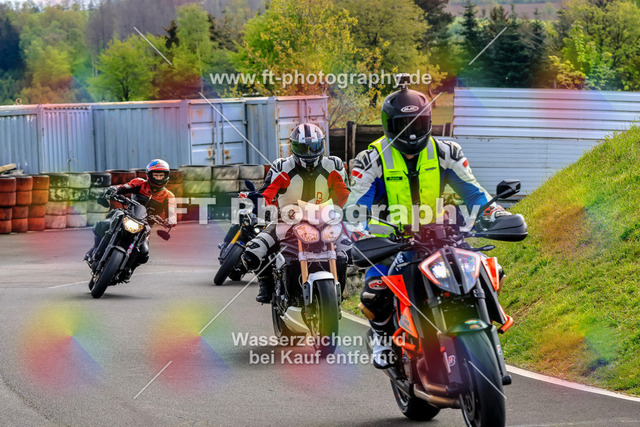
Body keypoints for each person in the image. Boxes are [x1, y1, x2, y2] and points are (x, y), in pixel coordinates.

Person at [345, 83, 510, 368]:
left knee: (489, 270)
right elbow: (355, 208)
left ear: (429, 122)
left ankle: (486, 322)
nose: (411, 132)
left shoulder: (448, 152)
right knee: (374, 292)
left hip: (442, 238)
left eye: (418, 123)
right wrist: (359, 233)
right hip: (392, 245)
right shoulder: (371, 159)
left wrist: (494, 212)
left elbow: (474, 193)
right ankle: (382, 336)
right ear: (388, 126)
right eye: (402, 124)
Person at [240, 123, 351, 303]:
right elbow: (267, 193)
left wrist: (347, 211)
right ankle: (265, 284)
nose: (309, 152)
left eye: (313, 147)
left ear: (322, 145)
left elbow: (344, 194)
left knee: (352, 251)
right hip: (287, 222)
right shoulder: (281, 167)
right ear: (293, 147)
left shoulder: (334, 165)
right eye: (302, 148)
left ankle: (340, 290)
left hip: (325, 222)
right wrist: (259, 205)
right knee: (254, 251)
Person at [85, 159, 177, 273]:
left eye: (161, 175)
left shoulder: (169, 196)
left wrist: (171, 220)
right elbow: (124, 187)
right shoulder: (140, 183)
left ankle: (129, 269)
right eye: (156, 175)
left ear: (166, 176)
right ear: (149, 175)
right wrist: (114, 189)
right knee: (102, 225)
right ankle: (95, 251)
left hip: (145, 226)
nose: (158, 178)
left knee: (143, 253)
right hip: (128, 214)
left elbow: (172, 213)